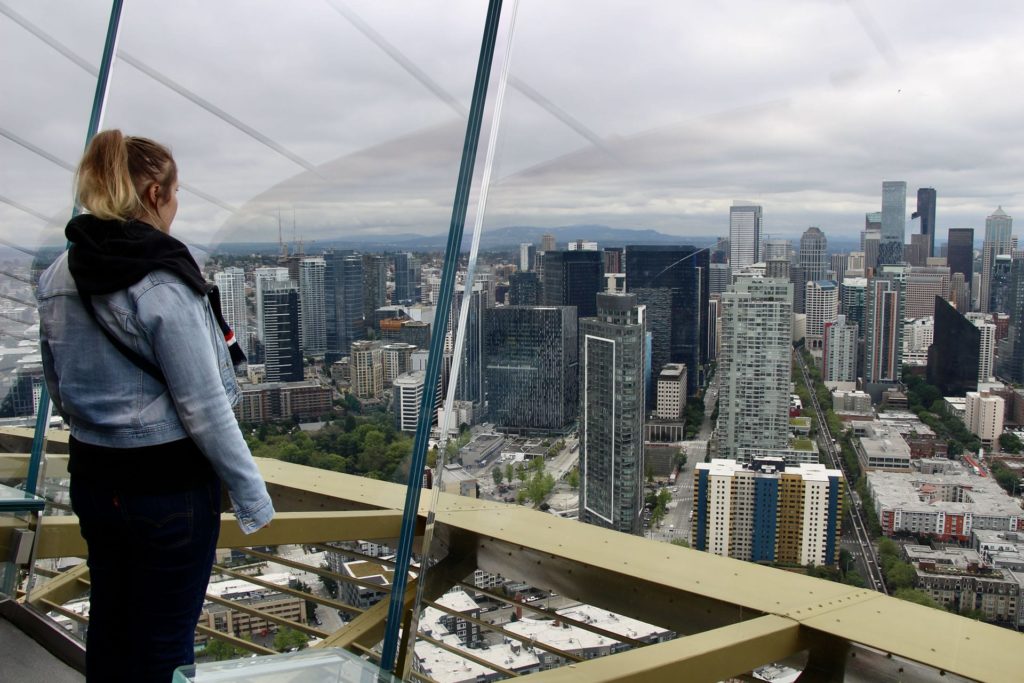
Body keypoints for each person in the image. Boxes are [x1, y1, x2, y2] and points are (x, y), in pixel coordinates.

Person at [37, 130, 274, 682]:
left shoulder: (59, 274)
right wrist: (251, 494)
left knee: (113, 626)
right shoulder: (161, 280)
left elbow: (59, 389)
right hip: (167, 490)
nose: (175, 204)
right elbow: (204, 406)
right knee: (165, 643)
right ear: (152, 194)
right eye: (173, 191)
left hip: (95, 478)